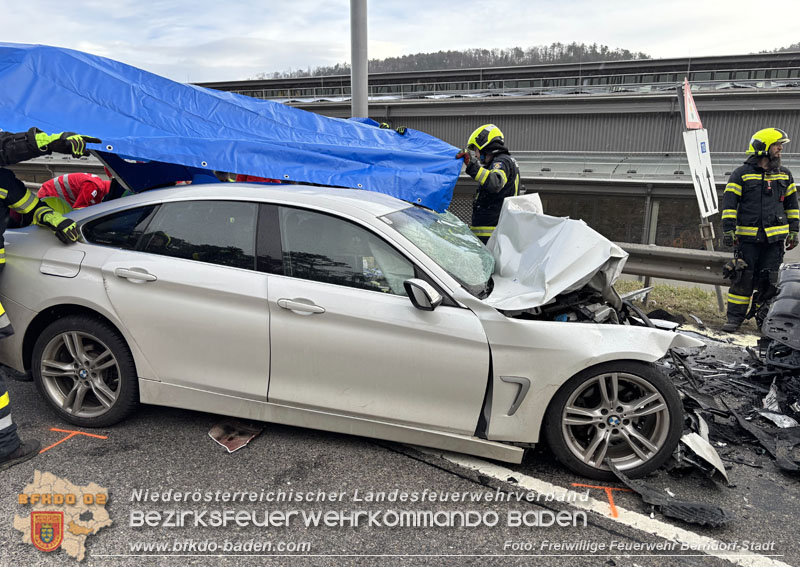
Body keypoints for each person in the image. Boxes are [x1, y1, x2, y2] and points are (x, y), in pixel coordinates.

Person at [0, 127, 99, 471]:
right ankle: (6, 448)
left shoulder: (5, 181)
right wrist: (52, 141)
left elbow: (28, 207)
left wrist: (52, 218)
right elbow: (8, 146)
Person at [720, 127, 799, 333]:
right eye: (776, 145)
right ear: (763, 148)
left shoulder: (785, 175)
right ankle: (734, 319)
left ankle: (764, 322)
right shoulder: (741, 175)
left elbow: (792, 205)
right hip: (747, 240)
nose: (780, 149)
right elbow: (729, 205)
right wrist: (728, 230)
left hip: (774, 243)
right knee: (742, 279)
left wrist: (794, 230)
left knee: (770, 282)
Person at [456, 124, 520, 243]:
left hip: (492, 237)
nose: (475, 155)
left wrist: (472, 165)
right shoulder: (504, 161)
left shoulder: (502, 161)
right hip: (493, 236)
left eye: (476, 150)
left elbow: (495, 182)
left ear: (484, 145)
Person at [38, 172, 110, 208]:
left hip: (51, 191)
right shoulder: (92, 186)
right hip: (49, 193)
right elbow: (79, 208)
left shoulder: (97, 185)